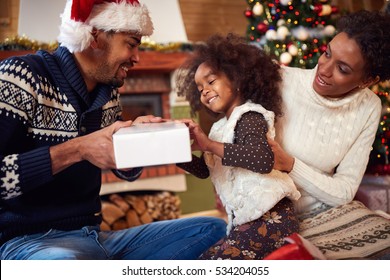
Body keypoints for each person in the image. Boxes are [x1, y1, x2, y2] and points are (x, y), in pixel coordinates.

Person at [0, 0, 226, 260]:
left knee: (213, 229)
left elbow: (121, 167)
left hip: (95, 237)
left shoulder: (107, 93)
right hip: (29, 243)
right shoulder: (20, 76)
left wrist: (136, 137)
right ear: (95, 36)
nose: (136, 58)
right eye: (131, 44)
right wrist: (78, 148)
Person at [268, 10, 390, 259]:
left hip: (333, 211)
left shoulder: (369, 106)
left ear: (367, 80)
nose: (323, 69)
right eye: (327, 54)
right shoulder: (281, 81)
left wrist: (290, 165)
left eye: (342, 69)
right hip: (277, 217)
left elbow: (345, 191)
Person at [175, 33, 301, 260]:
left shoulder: (250, 115)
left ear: (237, 78)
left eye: (211, 81)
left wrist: (209, 145)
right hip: (246, 220)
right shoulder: (218, 128)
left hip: (272, 217)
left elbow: (263, 160)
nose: (204, 90)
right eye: (199, 87)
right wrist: (175, 151)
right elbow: (206, 171)